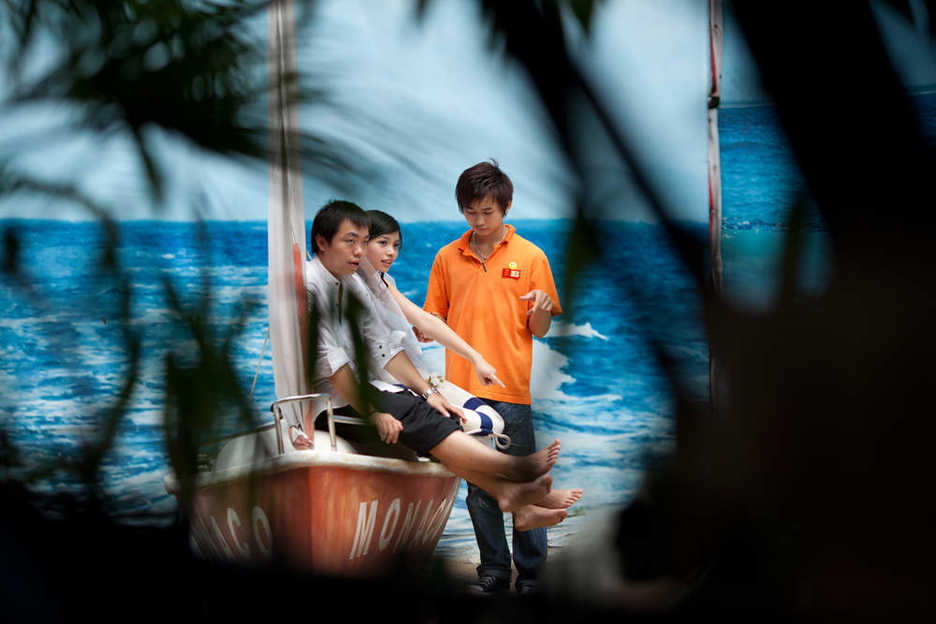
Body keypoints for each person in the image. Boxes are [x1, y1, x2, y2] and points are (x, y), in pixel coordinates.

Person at [302, 199, 560, 515]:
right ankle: (512, 469)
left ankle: (508, 494)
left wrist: (430, 391)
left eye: (364, 241)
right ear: (322, 242)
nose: (360, 251)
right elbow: (333, 364)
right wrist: (374, 412)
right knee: (411, 408)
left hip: (364, 392)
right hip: (329, 405)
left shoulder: (352, 285)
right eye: (352, 241)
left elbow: (384, 346)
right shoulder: (309, 285)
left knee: (433, 408)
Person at [360, 209, 582, 531]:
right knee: (466, 424)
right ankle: (519, 493)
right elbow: (401, 338)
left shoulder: (383, 282)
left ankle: (522, 509)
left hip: (496, 382)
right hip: (396, 383)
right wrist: (430, 388)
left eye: (396, 245)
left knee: (489, 421)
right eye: (383, 243)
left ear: (504, 208)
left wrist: (476, 358)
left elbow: (424, 321)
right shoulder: (436, 259)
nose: (391, 252)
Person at [422, 160, 564, 594]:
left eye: (487, 211)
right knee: (480, 488)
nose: (479, 221)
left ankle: (533, 574)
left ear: (506, 207)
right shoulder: (447, 256)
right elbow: (432, 317)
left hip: (512, 389)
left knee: (523, 483)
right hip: (463, 393)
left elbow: (539, 330)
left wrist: (540, 308)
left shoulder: (531, 257)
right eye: (470, 212)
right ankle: (494, 571)